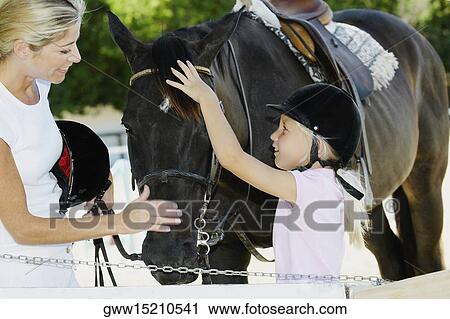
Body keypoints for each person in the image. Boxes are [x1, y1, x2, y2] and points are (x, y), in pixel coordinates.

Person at [0, 0, 182, 288]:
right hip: (15, 281)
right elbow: (22, 228)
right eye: (64, 49)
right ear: (23, 48)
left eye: (75, 44)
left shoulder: (39, 85)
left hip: (57, 267)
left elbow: (37, 154)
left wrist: (99, 181)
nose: (76, 56)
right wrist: (122, 222)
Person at [166, 60, 369, 283]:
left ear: (317, 145)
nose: (273, 136)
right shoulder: (319, 185)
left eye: (284, 129)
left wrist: (207, 99)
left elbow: (232, 158)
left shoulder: (312, 187)